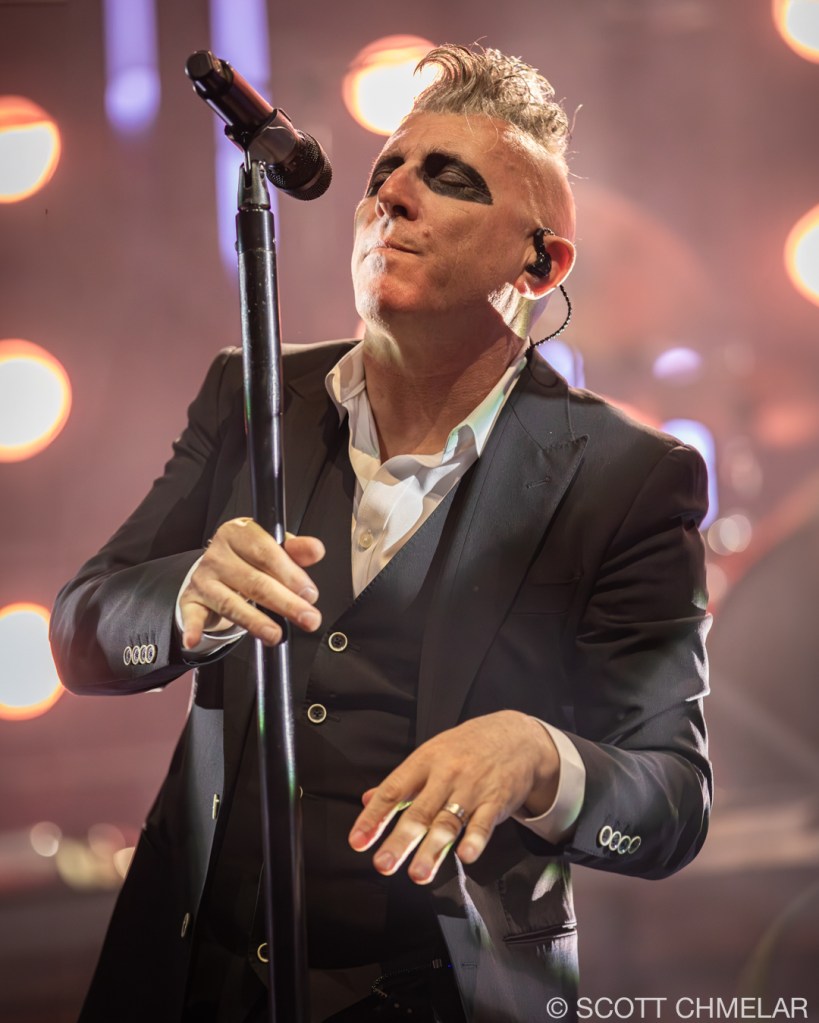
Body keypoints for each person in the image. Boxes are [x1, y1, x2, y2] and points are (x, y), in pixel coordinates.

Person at [50, 44, 712, 1023]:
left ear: (541, 262)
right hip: (199, 984)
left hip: (448, 997)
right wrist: (182, 596)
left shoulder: (626, 476)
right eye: (384, 174)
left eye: (450, 179)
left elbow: (671, 805)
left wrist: (540, 756)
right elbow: (81, 631)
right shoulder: (251, 395)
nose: (393, 194)